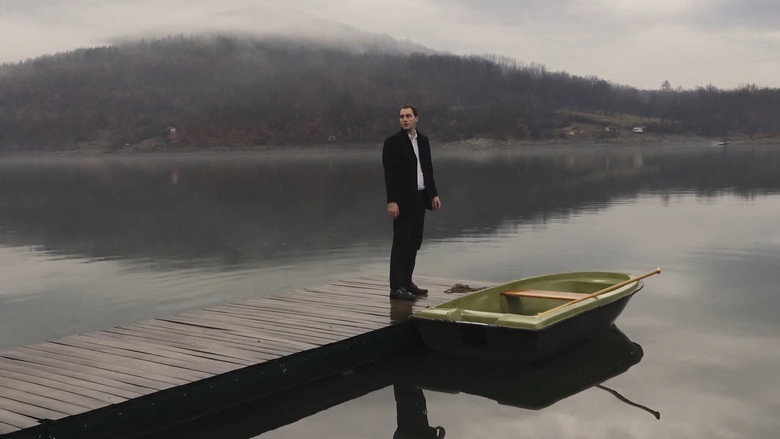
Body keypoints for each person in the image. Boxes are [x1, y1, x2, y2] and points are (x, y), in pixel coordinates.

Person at [382, 105, 441, 301]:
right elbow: (389, 175)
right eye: (401, 116)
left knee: (414, 242)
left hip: (420, 197)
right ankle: (396, 287)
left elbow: (428, 170)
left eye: (408, 116)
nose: (404, 119)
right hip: (402, 200)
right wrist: (392, 201)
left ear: (416, 118)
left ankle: (407, 282)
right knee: (401, 243)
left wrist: (433, 194)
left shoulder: (423, 141)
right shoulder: (392, 143)